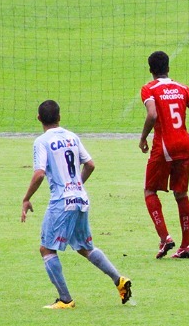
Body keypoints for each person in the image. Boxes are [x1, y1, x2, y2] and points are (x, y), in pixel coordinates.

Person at [21, 100, 132, 309]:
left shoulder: (42, 141)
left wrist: (26, 198)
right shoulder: (72, 136)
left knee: (46, 249)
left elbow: (39, 173)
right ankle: (120, 281)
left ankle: (65, 300)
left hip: (61, 202)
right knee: (84, 247)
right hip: (81, 198)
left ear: (38, 119)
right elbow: (90, 164)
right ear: (60, 117)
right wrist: (77, 185)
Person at [139, 50, 189, 259]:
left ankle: (165, 238)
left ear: (151, 70)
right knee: (181, 194)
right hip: (184, 145)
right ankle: (186, 245)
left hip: (164, 146)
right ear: (168, 68)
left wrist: (143, 138)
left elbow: (152, 114)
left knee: (150, 191)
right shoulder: (182, 88)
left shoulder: (149, 89)